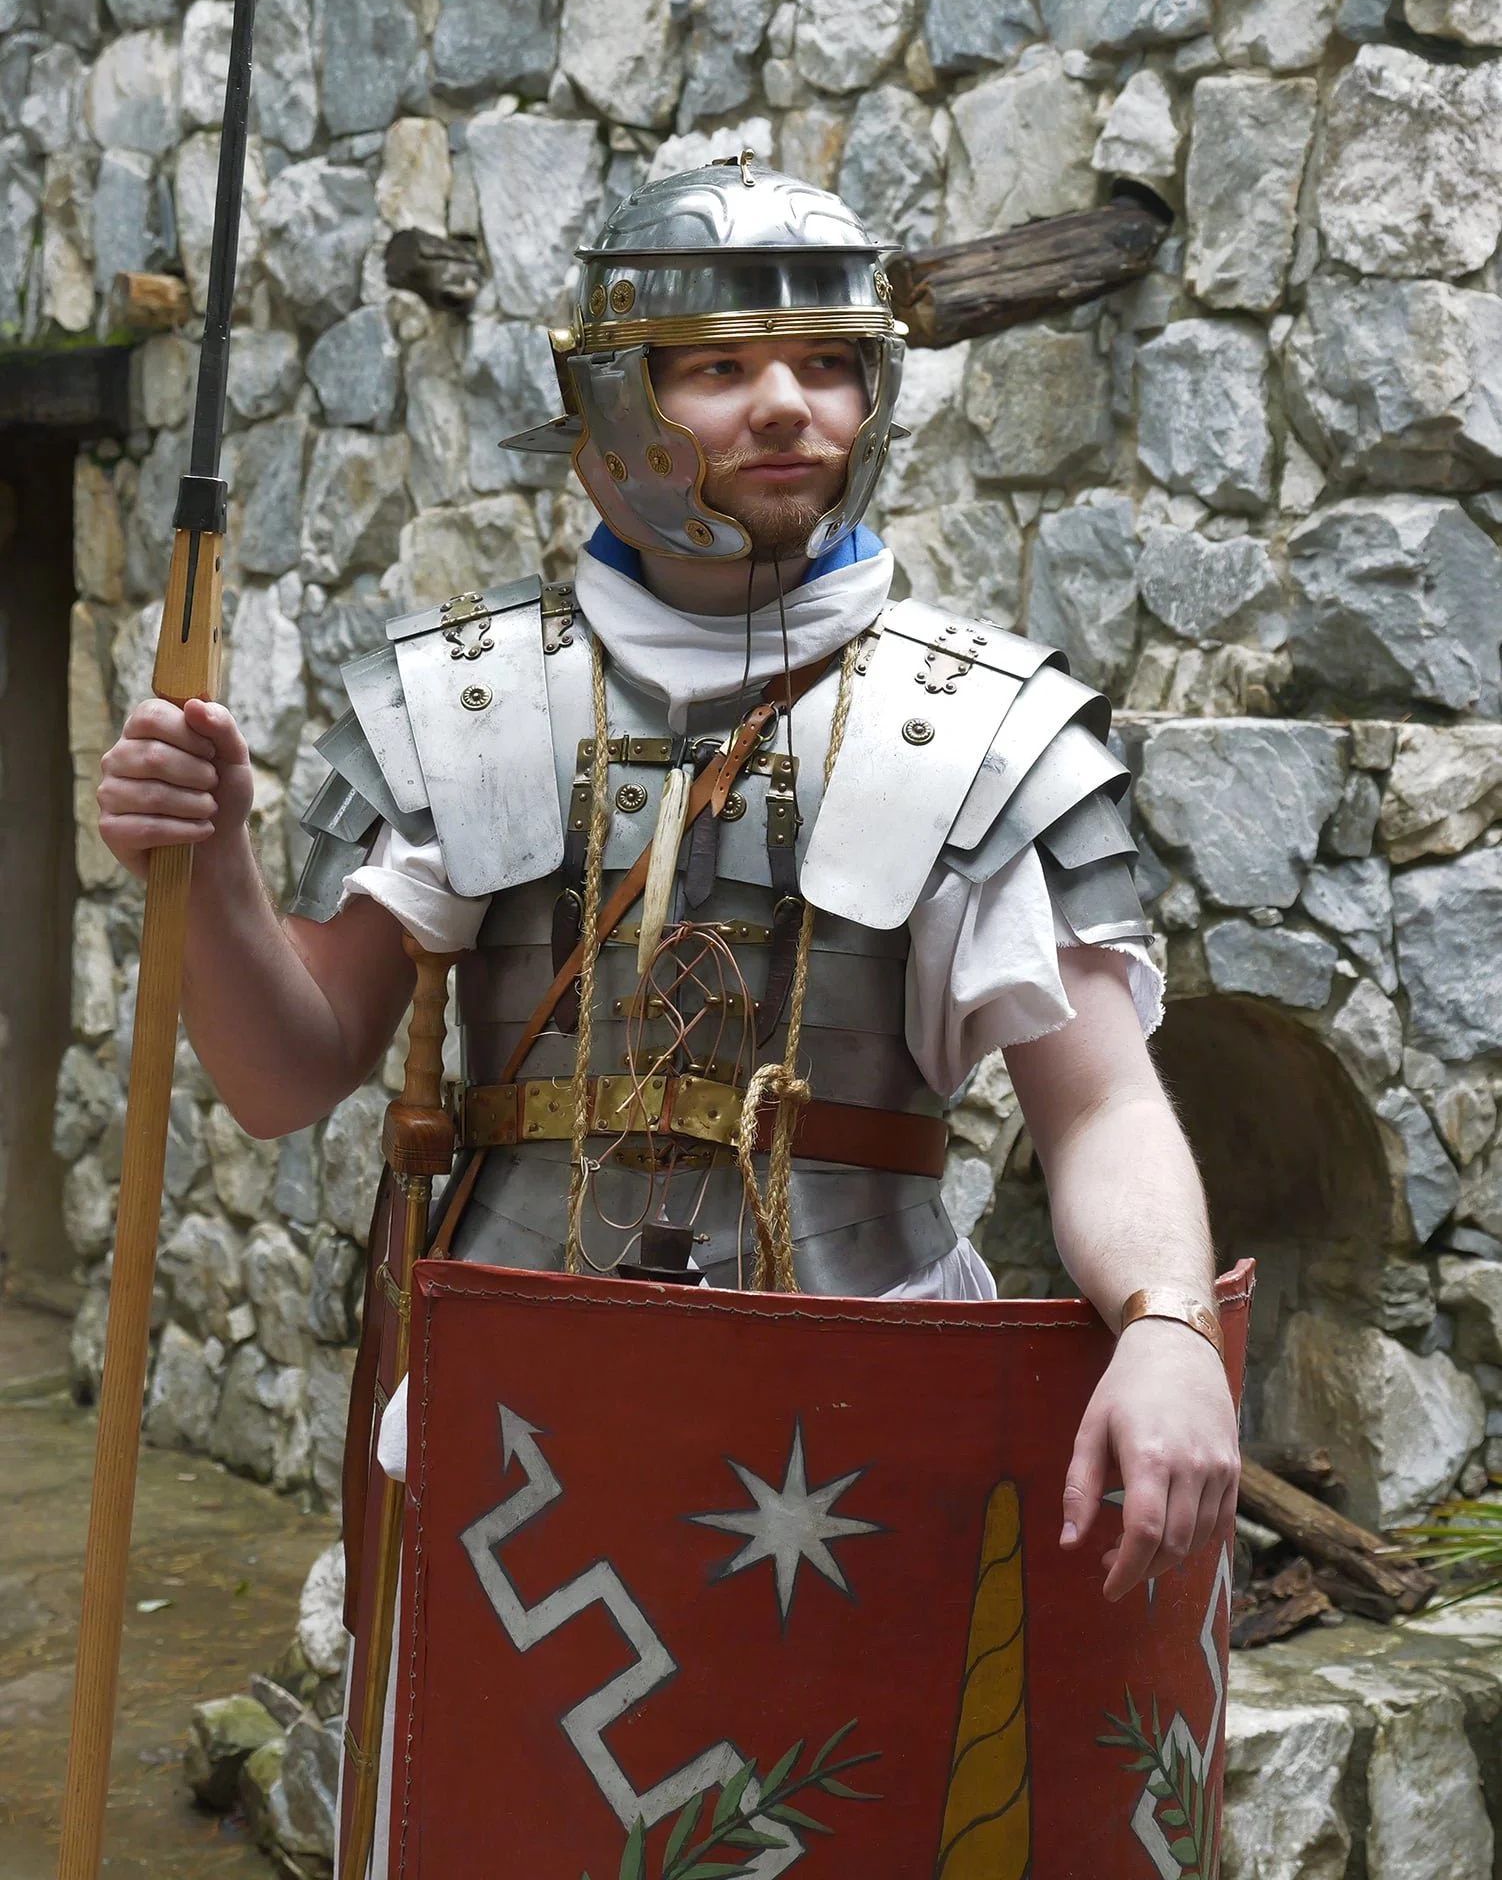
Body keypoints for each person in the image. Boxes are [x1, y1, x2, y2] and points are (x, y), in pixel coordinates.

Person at [98, 159, 1237, 1844]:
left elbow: (1104, 1107)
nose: (787, 406)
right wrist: (211, 873)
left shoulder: (985, 728)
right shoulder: (463, 701)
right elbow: (284, 1075)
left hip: (862, 1425)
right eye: (718, 366)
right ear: (611, 407)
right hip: (519, 1446)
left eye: (829, 363)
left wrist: (1165, 1328)